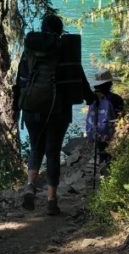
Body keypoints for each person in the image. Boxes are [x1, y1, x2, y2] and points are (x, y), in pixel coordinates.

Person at [13, 12, 93, 215]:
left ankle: (30, 185)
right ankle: (51, 200)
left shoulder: (30, 49)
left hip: (31, 107)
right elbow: (79, 78)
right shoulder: (65, 48)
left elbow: (21, 80)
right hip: (58, 109)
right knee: (52, 152)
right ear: (59, 30)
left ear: (42, 29)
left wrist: (17, 108)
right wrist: (91, 99)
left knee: (36, 147)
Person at [85, 69, 125, 171]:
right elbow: (121, 115)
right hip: (109, 132)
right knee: (110, 153)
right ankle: (109, 169)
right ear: (110, 84)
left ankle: (103, 167)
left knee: (101, 151)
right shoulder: (115, 98)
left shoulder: (92, 98)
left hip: (94, 132)